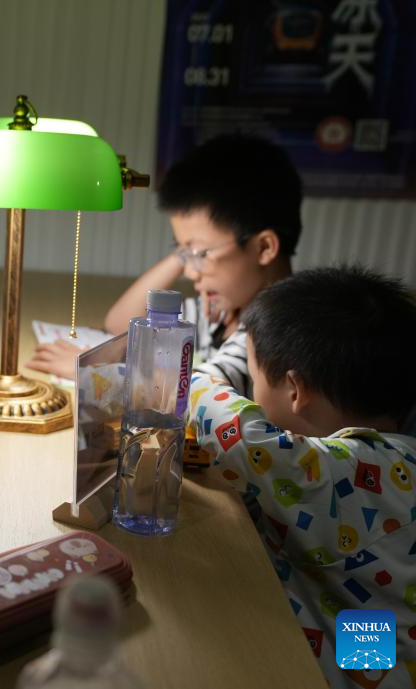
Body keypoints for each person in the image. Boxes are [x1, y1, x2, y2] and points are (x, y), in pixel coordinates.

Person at [188, 267, 416, 689]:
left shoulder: (351, 472)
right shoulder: (394, 458)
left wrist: (190, 382)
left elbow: (247, 441)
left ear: (296, 390)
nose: (250, 392)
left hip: (369, 666)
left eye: (253, 379)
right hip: (361, 617)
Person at [26, 133, 302, 396]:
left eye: (200, 254)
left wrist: (93, 372)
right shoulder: (223, 313)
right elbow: (121, 324)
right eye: (183, 253)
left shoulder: (276, 330)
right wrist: (189, 249)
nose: (189, 271)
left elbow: (196, 394)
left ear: (264, 248)